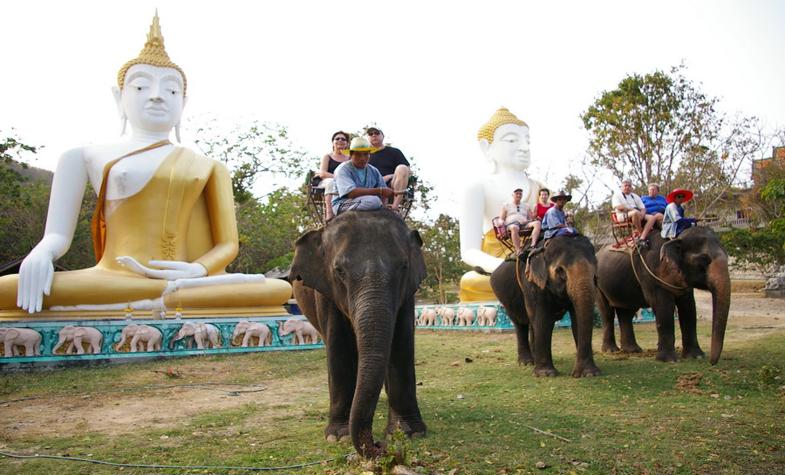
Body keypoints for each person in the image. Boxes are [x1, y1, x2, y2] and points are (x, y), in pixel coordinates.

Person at [0, 13, 291, 314]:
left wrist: (198, 270)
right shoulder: (82, 156)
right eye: (140, 87)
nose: (156, 96)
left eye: (171, 90)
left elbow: (228, 245)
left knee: (279, 288)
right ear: (119, 97)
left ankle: (164, 296)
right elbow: (57, 236)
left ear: (183, 103)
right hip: (114, 277)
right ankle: (163, 298)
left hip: (189, 279)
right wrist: (43, 252)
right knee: (8, 289)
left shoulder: (208, 166)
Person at [458, 107, 544, 301]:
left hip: (538, 259)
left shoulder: (541, 189)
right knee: (471, 281)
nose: (525, 147)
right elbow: (469, 251)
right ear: (486, 146)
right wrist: (506, 268)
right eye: (512, 140)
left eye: (527, 140)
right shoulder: (477, 187)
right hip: (499, 266)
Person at [332, 137, 394, 215]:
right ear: (351, 155)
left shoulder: (373, 170)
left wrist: (384, 205)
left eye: (365, 154)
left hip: (365, 202)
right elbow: (351, 193)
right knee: (373, 201)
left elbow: (384, 194)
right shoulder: (343, 169)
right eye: (358, 155)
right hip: (343, 204)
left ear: (369, 154)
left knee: (377, 202)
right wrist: (380, 191)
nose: (362, 158)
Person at [367, 126, 411, 211]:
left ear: (383, 136)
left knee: (402, 168)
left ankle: (395, 206)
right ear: (367, 137)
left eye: (377, 133)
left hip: (392, 183)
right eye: (370, 134)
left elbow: (408, 170)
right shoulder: (363, 154)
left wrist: (390, 176)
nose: (374, 135)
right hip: (370, 184)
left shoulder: (394, 152)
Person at [317, 131, 350, 220]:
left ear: (347, 143)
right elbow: (323, 173)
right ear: (333, 142)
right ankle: (330, 214)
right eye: (337, 138)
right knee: (331, 183)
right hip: (327, 181)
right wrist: (338, 178)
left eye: (343, 139)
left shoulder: (350, 158)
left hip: (345, 182)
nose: (340, 140)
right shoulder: (327, 156)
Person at [499, 188, 541, 254]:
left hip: (524, 224)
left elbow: (530, 219)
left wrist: (534, 217)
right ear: (512, 195)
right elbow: (501, 218)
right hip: (512, 224)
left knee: (537, 223)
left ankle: (533, 245)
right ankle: (518, 250)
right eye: (517, 194)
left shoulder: (526, 205)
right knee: (514, 227)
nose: (519, 195)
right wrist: (500, 223)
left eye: (520, 194)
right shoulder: (506, 205)